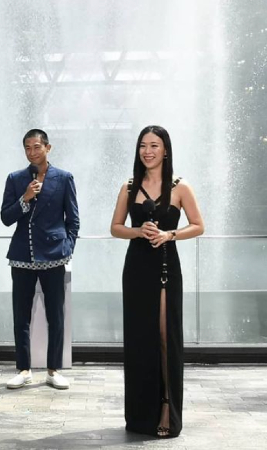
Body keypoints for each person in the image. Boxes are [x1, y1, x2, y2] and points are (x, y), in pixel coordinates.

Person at [110, 125, 204, 438]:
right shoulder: (128, 186)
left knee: (166, 338)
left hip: (166, 267)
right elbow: (115, 227)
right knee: (139, 342)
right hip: (136, 268)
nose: (147, 151)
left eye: (154, 145)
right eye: (142, 146)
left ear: (165, 150)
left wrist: (169, 234)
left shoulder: (180, 186)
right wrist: (137, 231)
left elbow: (198, 225)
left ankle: (167, 412)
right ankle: (140, 417)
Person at [0, 129, 79, 390]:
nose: (32, 152)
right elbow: (5, 218)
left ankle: (53, 370)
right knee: (21, 316)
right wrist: (25, 198)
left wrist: (67, 248)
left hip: (54, 256)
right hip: (22, 255)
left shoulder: (64, 178)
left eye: (36, 147)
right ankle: (23, 369)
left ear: (48, 147)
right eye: (27, 148)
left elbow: (73, 220)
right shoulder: (15, 179)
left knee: (55, 316)